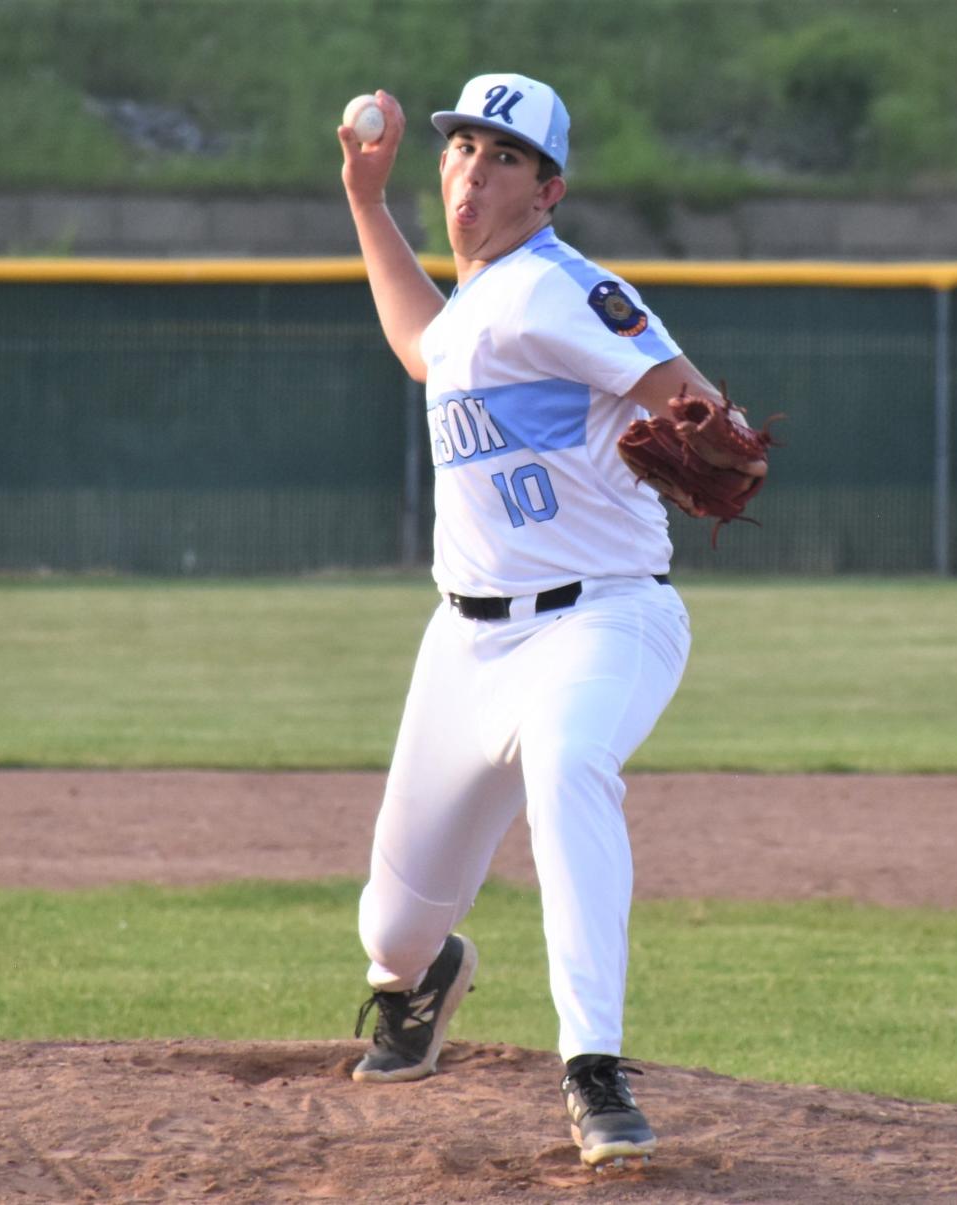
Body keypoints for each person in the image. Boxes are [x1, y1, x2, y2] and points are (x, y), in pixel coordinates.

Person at [337, 72, 765, 1168]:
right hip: (466, 645)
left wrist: (705, 428)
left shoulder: (571, 288)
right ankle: (426, 978)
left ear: (549, 188)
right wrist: (369, 202)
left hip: (601, 618)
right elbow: (424, 348)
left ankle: (595, 1067)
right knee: (389, 933)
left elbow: (704, 408)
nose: (472, 172)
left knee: (569, 763)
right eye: (462, 151)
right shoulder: (478, 303)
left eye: (503, 157)